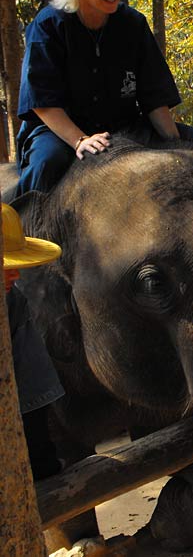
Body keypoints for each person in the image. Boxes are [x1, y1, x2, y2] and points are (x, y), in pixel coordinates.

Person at [14, 0, 193, 197]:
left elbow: (153, 96)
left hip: (123, 126)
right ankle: (16, 230)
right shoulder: (49, 25)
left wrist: (175, 144)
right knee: (46, 163)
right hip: (60, 132)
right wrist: (80, 140)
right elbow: (42, 101)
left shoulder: (133, 24)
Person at [4, 203, 65, 480]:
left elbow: (31, 384)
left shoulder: (13, 300)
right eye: (6, 265)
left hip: (22, 408)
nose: (15, 274)